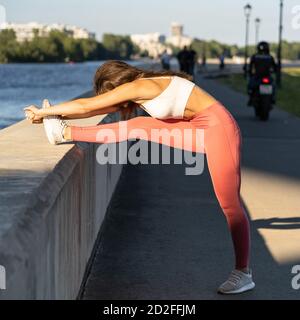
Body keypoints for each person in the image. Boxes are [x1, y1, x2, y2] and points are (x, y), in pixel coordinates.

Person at [24, 60, 254, 295]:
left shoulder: (140, 87)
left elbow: (88, 106)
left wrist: (45, 112)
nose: (116, 101)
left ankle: (243, 273)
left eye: (111, 94)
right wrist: (53, 113)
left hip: (218, 129)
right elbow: (97, 109)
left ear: (117, 84)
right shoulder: (142, 85)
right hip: (200, 127)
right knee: (138, 125)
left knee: (230, 205)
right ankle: (63, 132)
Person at [247, 41, 277, 106]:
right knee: (273, 86)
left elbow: (250, 67)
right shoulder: (270, 57)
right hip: (267, 76)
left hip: (257, 77)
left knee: (250, 86)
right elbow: (275, 67)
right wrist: (274, 71)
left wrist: (250, 72)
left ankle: (251, 98)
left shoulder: (255, 56)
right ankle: (273, 98)